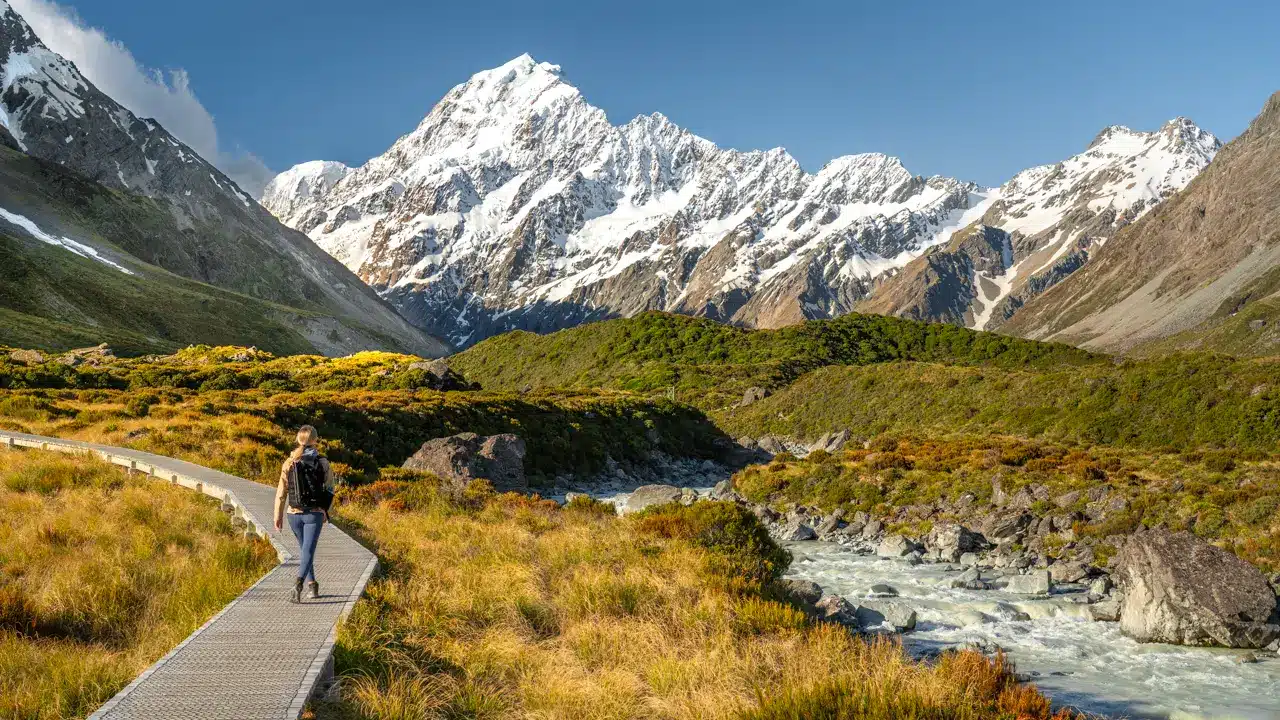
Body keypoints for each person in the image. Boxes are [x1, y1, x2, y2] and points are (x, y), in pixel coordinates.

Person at [273, 425, 335, 603]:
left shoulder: (289, 462)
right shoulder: (322, 461)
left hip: (293, 514)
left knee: (305, 550)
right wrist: (325, 510)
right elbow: (330, 488)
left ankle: (313, 585)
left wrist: (277, 516)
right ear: (315, 440)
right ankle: (299, 584)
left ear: (298, 439)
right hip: (314, 514)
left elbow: (281, 492)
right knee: (308, 550)